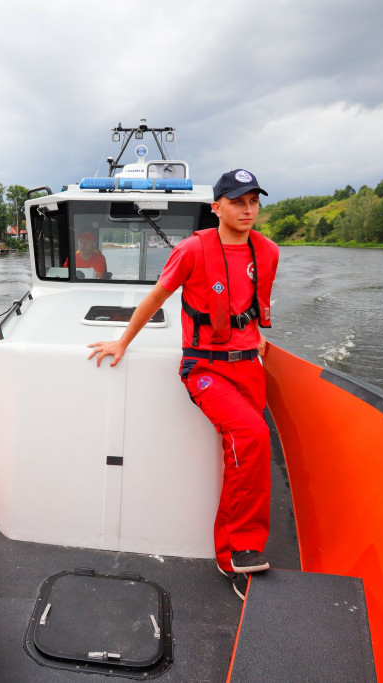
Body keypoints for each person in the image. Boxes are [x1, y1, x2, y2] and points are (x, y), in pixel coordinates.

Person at [86, 169, 279, 600]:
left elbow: (250, 303)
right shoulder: (193, 251)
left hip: (248, 364)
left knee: (248, 446)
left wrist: (257, 336)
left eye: (253, 202)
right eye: (237, 202)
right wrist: (122, 341)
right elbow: (156, 298)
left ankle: (242, 537)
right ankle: (236, 553)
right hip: (205, 367)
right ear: (217, 208)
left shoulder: (267, 252)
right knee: (252, 436)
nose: (247, 210)